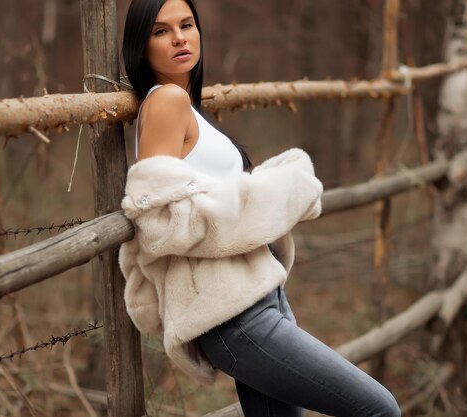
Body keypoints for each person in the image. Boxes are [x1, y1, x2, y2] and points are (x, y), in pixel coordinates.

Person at [118, 1, 401, 416]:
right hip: (236, 318)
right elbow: (158, 217)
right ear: (140, 48)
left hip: (258, 297)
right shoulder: (167, 104)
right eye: (161, 32)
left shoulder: (185, 104)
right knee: (379, 409)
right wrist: (273, 194)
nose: (179, 37)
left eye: (187, 25)